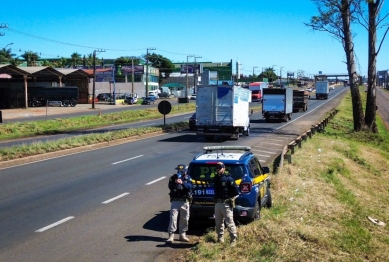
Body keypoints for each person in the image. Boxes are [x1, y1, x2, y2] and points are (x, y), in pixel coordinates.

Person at [213, 162, 240, 247]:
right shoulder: (216, 178)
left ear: (224, 168)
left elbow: (236, 192)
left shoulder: (229, 179)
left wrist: (231, 200)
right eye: (217, 168)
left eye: (220, 167)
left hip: (226, 204)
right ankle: (220, 239)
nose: (218, 169)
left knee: (229, 223)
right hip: (217, 204)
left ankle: (233, 240)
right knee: (218, 223)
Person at [166, 164, 193, 243]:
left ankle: (182, 235)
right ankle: (171, 235)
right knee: (173, 218)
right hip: (175, 201)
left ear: (185, 171)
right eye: (178, 170)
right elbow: (170, 187)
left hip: (185, 201)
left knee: (184, 219)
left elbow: (190, 186)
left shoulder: (188, 178)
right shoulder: (173, 178)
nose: (180, 172)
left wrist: (182, 183)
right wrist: (175, 182)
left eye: (182, 171)